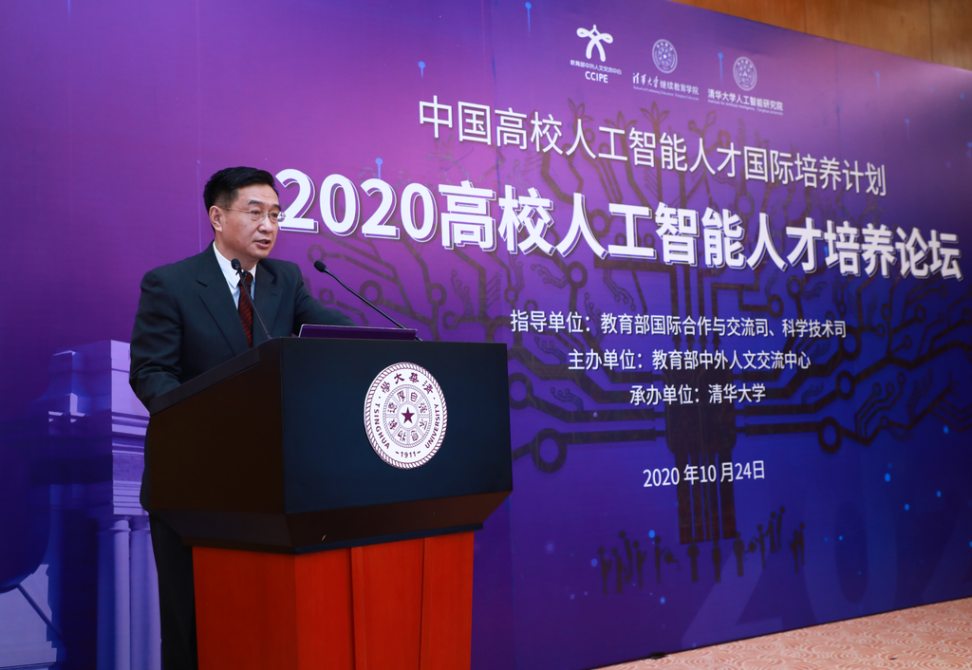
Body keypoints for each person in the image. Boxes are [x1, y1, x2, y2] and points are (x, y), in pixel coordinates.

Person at [129, 166, 352, 669]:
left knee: (258, 628)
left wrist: (385, 341)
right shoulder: (171, 283)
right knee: (195, 631)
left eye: (275, 214)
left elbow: (331, 331)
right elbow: (151, 373)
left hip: (269, 487)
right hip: (192, 484)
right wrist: (211, 419)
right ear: (217, 217)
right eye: (255, 213)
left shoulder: (284, 280)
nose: (268, 225)